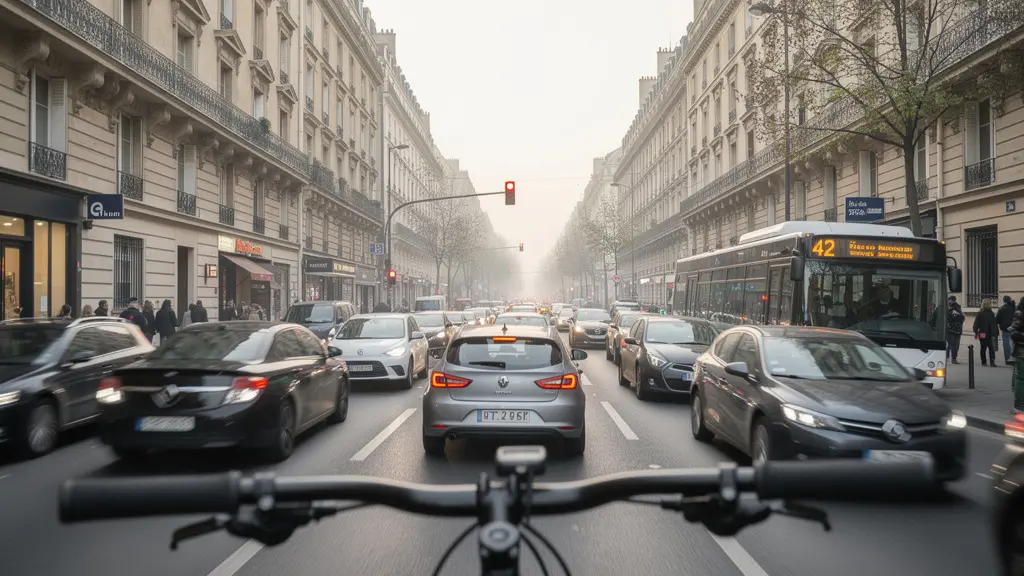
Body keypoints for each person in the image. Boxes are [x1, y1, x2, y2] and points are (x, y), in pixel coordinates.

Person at [973, 299, 999, 366]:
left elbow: (976, 324)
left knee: (983, 348)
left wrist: (976, 332)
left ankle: (984, 362)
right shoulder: (991, 313)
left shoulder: (980, 313)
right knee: (991, 348)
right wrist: (996, 333)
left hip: (982, 333)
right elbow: (994, 324)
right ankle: (992, 362)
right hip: (991, 333)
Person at [1010, 296, 1024, 411]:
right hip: (1021, 351)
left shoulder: (1019, 314)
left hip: (1021, 351)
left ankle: (1019, 405)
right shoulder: (1020, 314)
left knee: (1020, 378)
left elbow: (1014, 333)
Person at [998, 295, 1017, 366]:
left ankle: (1008, 359)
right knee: (1014, 344)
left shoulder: (1001, 309)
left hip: (1005, 329)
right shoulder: (1014, 308)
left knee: (1006, 344)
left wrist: (1001, 324)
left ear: (1003, 301)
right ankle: (1015, 358)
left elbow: (997, 320)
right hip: (1014, 328)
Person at [947, 296, 965, 364]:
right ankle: (951, 357)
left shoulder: (957, 308)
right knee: (952, 344)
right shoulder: (947, 308)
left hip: (955, 329)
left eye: (952, 300)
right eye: (950, 300)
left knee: (955, 345)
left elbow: (962, 318)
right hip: (952, 329)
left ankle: (953, 358)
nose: (951, 302)